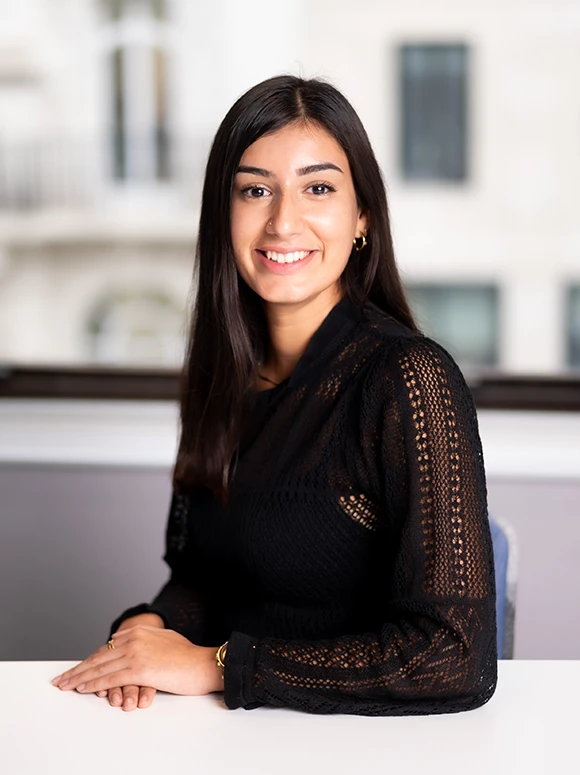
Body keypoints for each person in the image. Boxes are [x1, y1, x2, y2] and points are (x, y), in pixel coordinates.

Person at [52, 75, 498, 715]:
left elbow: (456, 657)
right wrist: (149, 626)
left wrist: (214, 665)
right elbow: (209, 577)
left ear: (362, 214)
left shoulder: (408, 379)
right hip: (238, 739)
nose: (283, 220)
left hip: (372, 749)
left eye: (318, 188)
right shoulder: (224, 372)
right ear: (223, 214)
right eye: (255, 190)